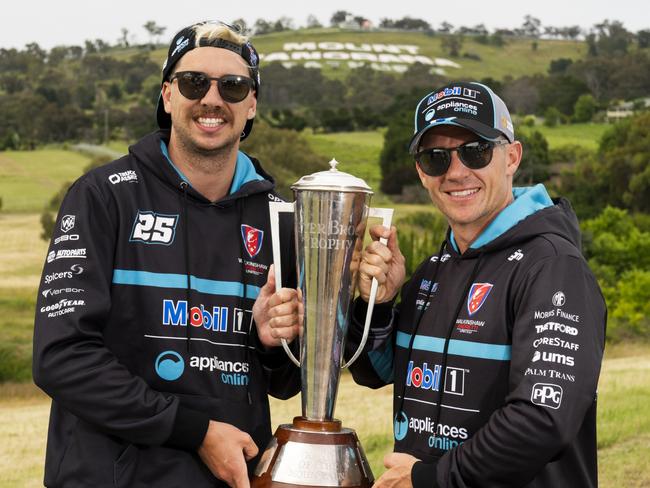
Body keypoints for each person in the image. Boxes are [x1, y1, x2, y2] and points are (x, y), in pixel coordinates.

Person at [33, 21, 302, 488]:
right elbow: (61, 356)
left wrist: (272, 342)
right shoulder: (103, 197)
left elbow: (284, 382)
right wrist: (195, 432)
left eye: (233, 86)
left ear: (252, 103)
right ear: (167, 95)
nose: (212, 99)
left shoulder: (282, 218)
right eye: (194, 82)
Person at [347, 81, 606, 487]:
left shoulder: (553, 267)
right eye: (435, 158)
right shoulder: (434, 269)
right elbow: (375, 372)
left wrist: (431, 479)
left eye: (476, 151)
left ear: (511, 157)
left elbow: (543, 419)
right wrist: (377, 303)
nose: (456, 172)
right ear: (420, 171)